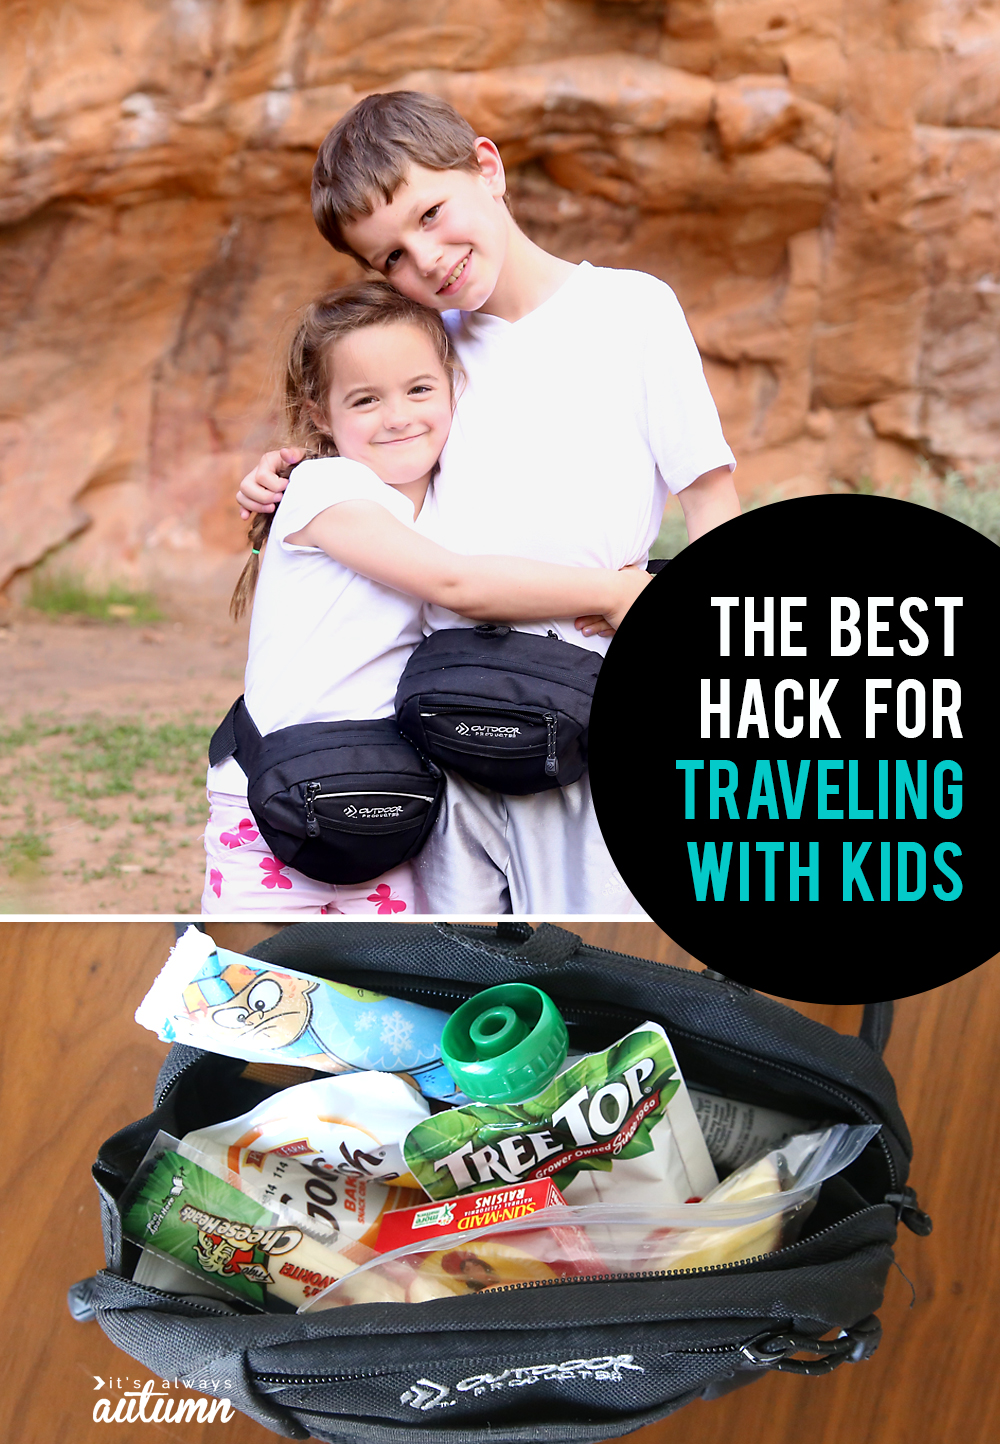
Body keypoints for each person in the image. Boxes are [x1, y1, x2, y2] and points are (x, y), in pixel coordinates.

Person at [237, 91, 740, 915]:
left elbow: (713, 500)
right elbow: (368, 471)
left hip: (580, 699)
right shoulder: (429, 350)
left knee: (606, 948)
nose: (427, 259)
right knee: (460, 959)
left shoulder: (629, 311)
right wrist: (291, 470)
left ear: (488, 166)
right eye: (392, 257)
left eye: (432, 214)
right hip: (438, 724)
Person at [206, 279, 650, 915]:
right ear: (318, 412)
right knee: (276, 965)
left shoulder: (442, 499)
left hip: (386, 806)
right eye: (365, 400)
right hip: (273, 803)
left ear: (452, 389)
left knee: (389, 972)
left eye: (419, 389)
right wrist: (615, 591)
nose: (398, 416)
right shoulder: (323, 488)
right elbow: (456, 582)